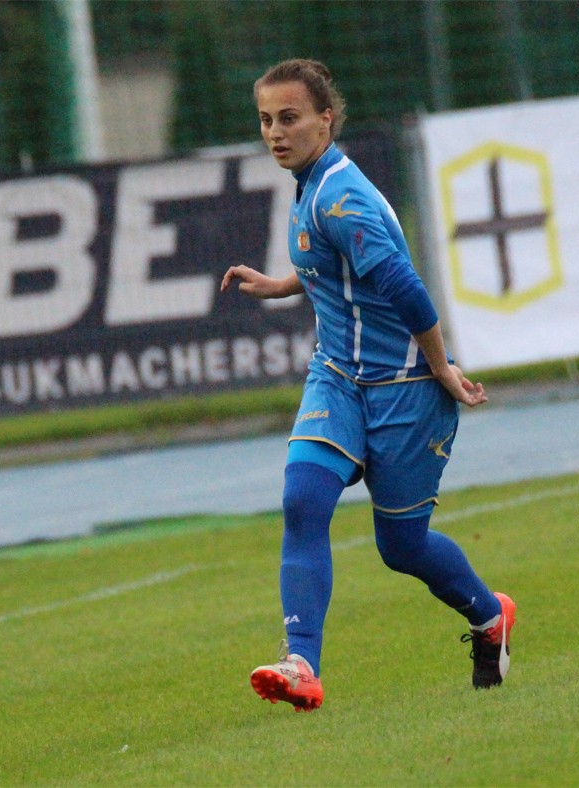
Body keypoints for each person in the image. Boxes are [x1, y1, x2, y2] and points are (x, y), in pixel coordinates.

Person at [220, 59, 515, 712]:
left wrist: (441, 367)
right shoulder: (312, 183)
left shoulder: (339, 197)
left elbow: (406, 288)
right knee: (303, 501)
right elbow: (335, 263)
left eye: (290, 118)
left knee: (401, 548)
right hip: (338, 377)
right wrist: (283, 284)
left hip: (406, 386)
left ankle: (490, 616)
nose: (275, 132)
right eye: (266, 120)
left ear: (326, 119)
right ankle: (301, 664)